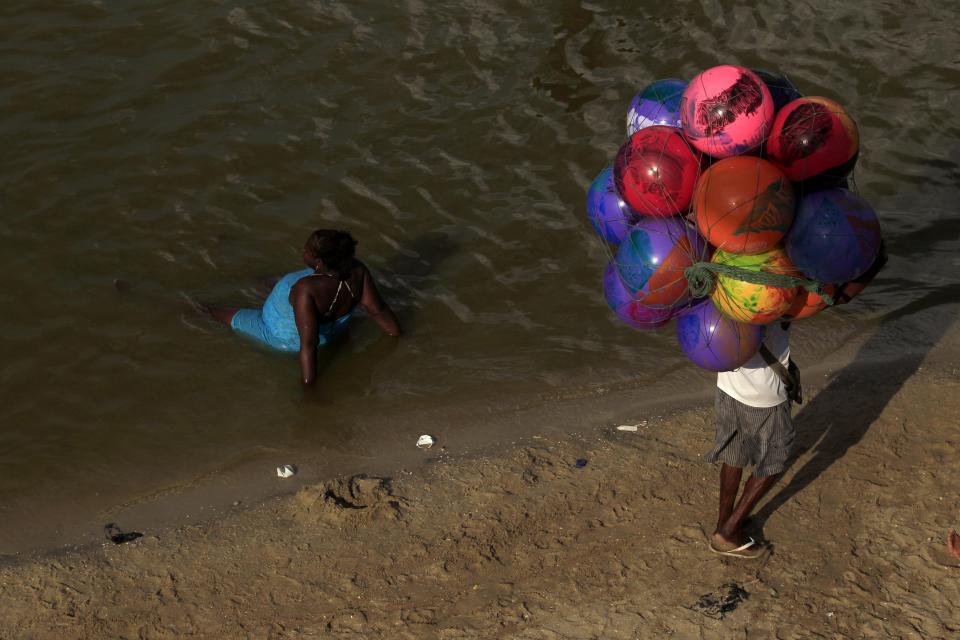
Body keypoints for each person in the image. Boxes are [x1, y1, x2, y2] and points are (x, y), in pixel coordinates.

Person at [208, 229, 401, 386]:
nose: (303, 251)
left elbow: (308, 343)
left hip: (282, 336)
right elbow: (377, 310)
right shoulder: (357, 270)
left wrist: (309, 386)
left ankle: (187, 306)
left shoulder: (305, 288)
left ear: (319, 262)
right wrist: (399, 337)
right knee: (265, 282)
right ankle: (234, 255)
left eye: (307, 251)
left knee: (212, 311)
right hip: (335, 331)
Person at [706, 321, 795, 559]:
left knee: (734, 452)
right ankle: (728, 531)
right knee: (776, 457)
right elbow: (834, 297)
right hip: (764, 392)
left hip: (728, 383)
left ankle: (723, 524)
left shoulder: (724, 287)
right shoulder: (777, 290)